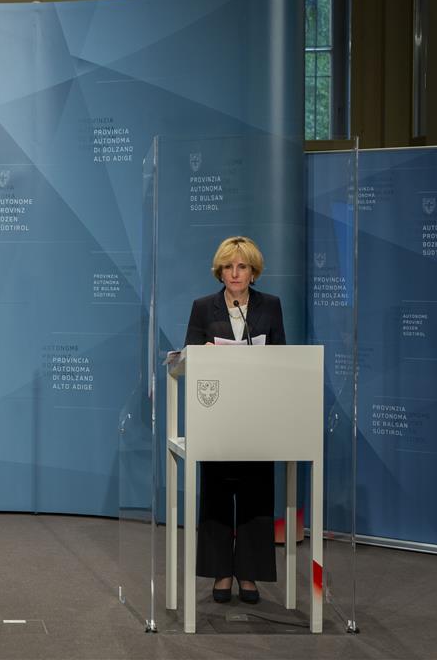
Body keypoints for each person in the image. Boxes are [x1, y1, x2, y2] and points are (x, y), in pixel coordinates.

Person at [184, 235, 286, 605]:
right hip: (217, 416)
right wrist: (202, 353)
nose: (235, 273)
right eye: (228, 266)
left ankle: (249, 573)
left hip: (257, 416)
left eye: (242, 267)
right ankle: (221, 572)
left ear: (253, 272)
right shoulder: (203, 307)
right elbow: (186, 356)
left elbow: (282, 357)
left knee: (256, 494)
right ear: (220, 272)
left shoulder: (270, 306)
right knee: (216, 493)